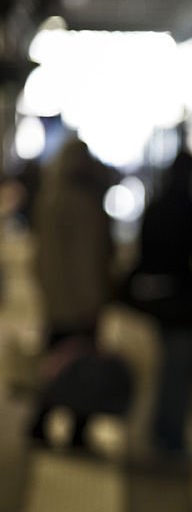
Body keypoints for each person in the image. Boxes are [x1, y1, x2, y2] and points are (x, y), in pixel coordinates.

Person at [29, 137, 115, 445]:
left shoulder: (50, 198)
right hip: (79, 303)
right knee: (82, 369)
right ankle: (76, 429)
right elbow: (84, 258)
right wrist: (93, 300)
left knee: (54, 367)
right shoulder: (81, 202)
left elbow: (41, 257)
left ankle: (42, 424)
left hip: (57, 302)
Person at [127, 150, 192, 460]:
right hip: (183, 306)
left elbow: (142, 252)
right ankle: (170, 436)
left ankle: (159, 430)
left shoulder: (158, 207)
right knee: (179, 371)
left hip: (155, 303)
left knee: (164, 368)